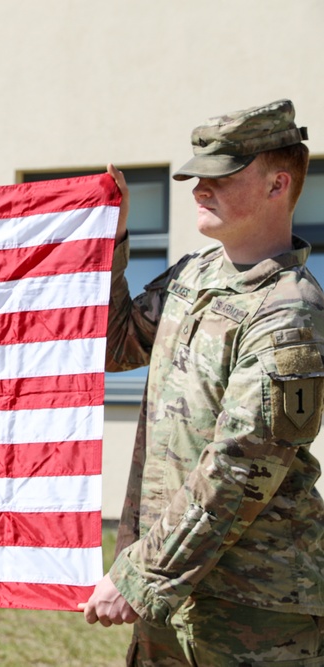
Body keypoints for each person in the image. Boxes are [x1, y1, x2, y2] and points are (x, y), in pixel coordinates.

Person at [81, 99, 324, 664]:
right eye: (195, 177)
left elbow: (240, 466)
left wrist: (142, 574)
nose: (198, 188)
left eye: (220, 176)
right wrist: (110, 240)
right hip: (177, 583)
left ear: (276, 184)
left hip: (255, 605)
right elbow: (115, 346)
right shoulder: (195, 273)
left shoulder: (290, 311)